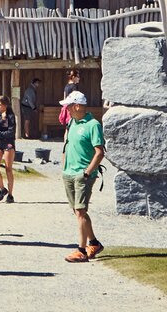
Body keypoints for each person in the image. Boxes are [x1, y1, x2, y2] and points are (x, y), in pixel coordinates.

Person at [60, 91, 106, 263]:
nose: (67, 110)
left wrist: (87, 172)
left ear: (77, 106)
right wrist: (63, 164)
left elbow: (99, 152)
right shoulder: (71, 122)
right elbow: (67, 145)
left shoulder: (93, 125)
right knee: (78, 211)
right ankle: (94, 243)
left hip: (83, 175)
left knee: (80, 211)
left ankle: (81, 250)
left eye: (69, 106)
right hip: (69, 173)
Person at [0, 96, 17, 203]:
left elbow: (11, 132)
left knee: (8, 169)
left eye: (0, 104)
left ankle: (10, 194)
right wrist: (1, 120)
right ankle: (2, 189)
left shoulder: (11, 116)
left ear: (5, 105)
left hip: (9, 144)